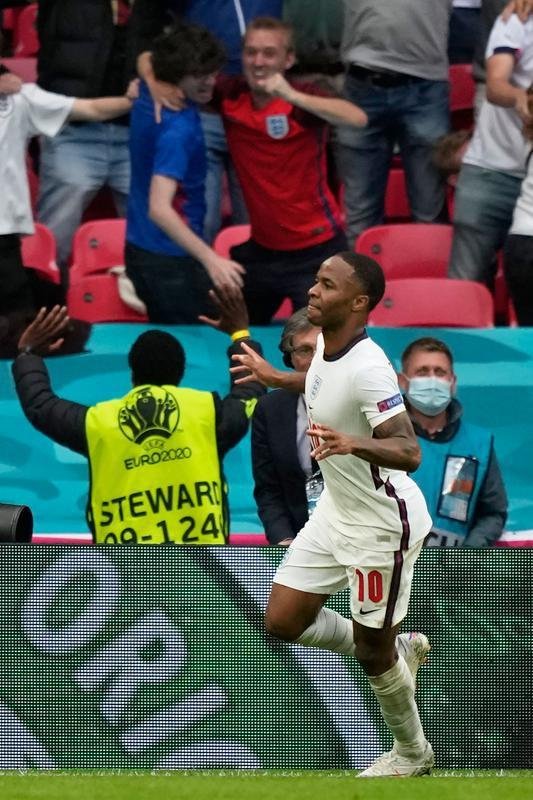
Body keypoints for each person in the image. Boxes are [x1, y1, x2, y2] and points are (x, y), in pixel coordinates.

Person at [232, 252, 434, 777]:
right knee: (282, 620)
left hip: (379, 524)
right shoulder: (325, 343)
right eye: (316, 280)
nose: (313, 291)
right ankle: (399, 645)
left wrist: (352, 442)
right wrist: (274, 376)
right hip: (335, 514)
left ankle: (412, 753)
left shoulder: (371, 369)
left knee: (370, 652)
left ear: (359, 302)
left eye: (327, 284)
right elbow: (321, 384)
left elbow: (409, 451)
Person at [11, 288, 264, 544]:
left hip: (125, 570)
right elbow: (250, 389)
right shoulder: (206, 413)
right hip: (197, 570)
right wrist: (240, 333)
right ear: (180, 373)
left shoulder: (99, 422)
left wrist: (27, 353)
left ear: (132, 375)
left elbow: (40, 406)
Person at [211, 16, 367, 324]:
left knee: (317, 353)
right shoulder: (231, 95)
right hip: (262, 252)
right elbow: (177, 71)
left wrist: (291, 96)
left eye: (269, 53)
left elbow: (357, 118)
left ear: (289, 59)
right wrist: (149, 74)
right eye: (251, 52)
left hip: (317, 252)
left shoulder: (304, 99)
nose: (258, 61)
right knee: (234, 335)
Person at [0, 41, 136, 318]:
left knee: (15, 333)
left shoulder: (19, 98)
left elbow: (90, 109)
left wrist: (132, 100)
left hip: (4, 237)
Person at [128, 0, 283, 243]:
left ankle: (251, 280)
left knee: (257, 220)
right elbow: (143, 29)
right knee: (201, 218)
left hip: (257, 112)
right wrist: (152, 77)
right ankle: (200, 278)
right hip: (202, 109)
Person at [125, 23, 246, 324]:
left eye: (212, 72)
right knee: (193, 350)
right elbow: (159, 208)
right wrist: (212, 259)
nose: (210, 82)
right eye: (198, 76)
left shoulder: (146, 94)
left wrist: (150, 78)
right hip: (168, 260)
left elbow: (148, 58)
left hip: (142, 248)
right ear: (176, 73)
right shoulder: (178, 130)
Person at [35, 0, 141, 273]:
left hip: (138, 130)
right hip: (72, 128)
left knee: (153, 237)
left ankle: (150, 308)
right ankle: (43, 306)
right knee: (53, 238)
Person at [335, 0, 451, 247]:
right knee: (359, 220)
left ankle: (427, 283)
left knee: (429, 214)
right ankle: (359, 286)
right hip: (361, 85)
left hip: (425, 87)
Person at [448, 9, 533, 284]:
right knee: (466, 284)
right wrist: (521, 97)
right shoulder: (519, 17)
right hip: (490, 168)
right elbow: (495, 85)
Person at [398, 337, 507, 548]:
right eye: (422, 372)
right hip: (392, 570)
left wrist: (468, 553)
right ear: (403, 382)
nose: (432, 380)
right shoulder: (380, 437)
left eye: (440, 372)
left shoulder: (480, 443)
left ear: (453, 382)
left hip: (452, 574)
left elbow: (493, 513)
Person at [251, 308, 320, 545]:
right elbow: (268, 490)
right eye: (304, 350)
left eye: (322, 347)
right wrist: (284, 539)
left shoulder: (360, 400)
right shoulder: (270, 409)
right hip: (297, 544)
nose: (315, 358)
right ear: (289, 358)